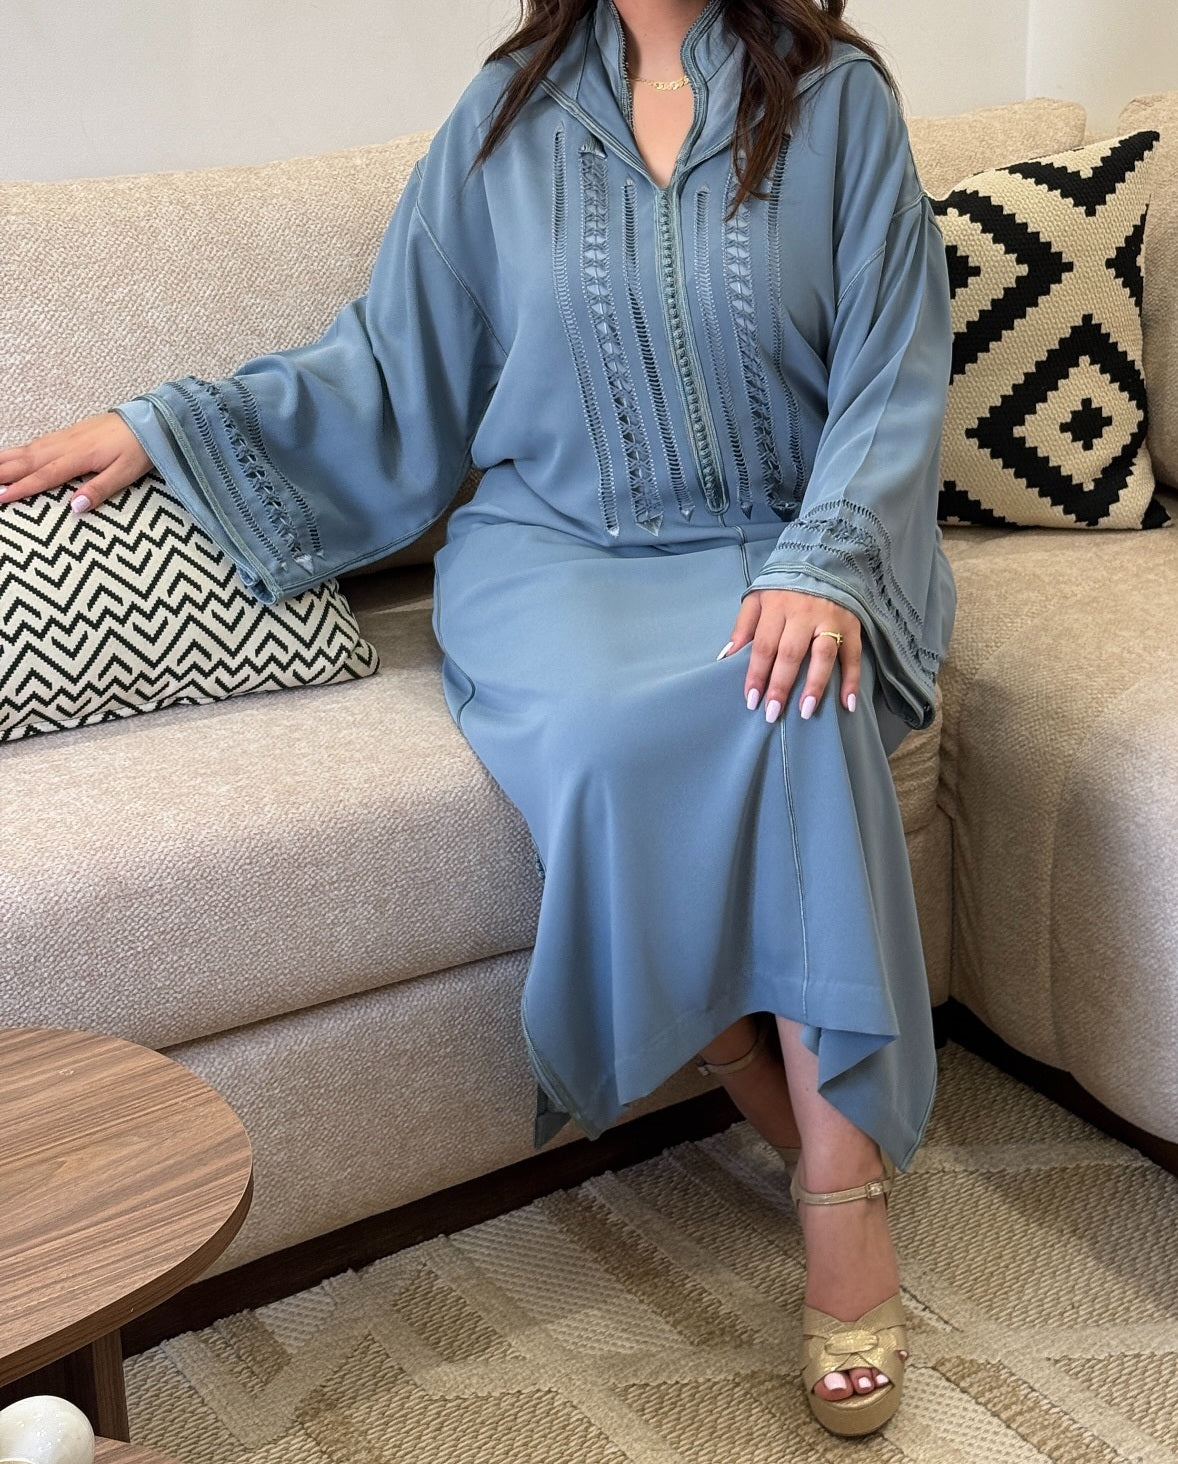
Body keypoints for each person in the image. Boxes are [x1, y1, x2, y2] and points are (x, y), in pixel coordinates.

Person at [0, 0, 954, 1436]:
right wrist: (168, 426)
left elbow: (894, 368)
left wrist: (826, 562)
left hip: (778, 535)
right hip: (552, 550)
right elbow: (392, 364)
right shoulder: (505, 111)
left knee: (789, 696)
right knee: (611, 745)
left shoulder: (839, 101)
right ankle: (749, 1060)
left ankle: (836, 1192)